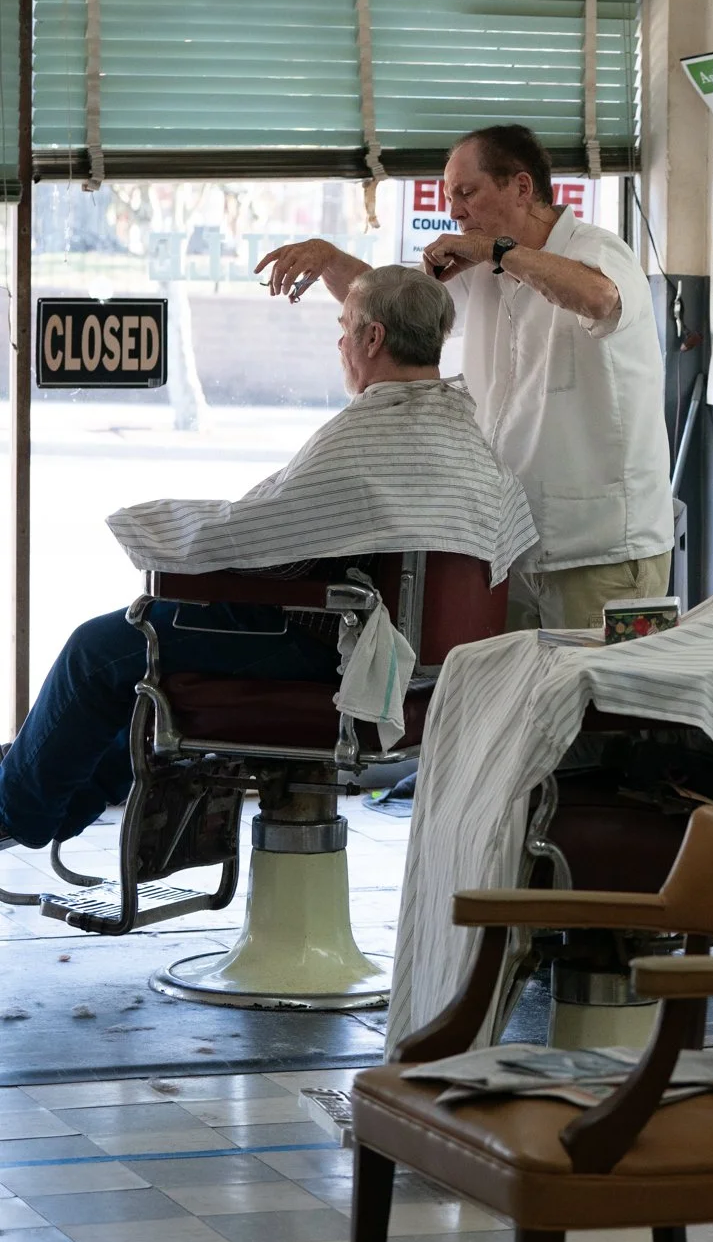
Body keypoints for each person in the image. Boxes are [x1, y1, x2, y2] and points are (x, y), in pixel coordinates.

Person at [0, 268, 537, 850]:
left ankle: (16, 814)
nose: (340, 344)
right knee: (135, 670)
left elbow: (254, 532)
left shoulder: (369, 436)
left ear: (373, 339)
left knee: (101, 650)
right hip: (422, 674)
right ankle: (45, 802)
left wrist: (161, 525)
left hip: (327, 651)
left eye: (344, 328)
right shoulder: (465, 434)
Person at [255, 124, 670, 630]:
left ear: (521, 187)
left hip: (605, 552)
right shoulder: (481, 272)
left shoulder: (601, 252)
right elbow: (394, 308)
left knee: (600, 706)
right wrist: (330, 260)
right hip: (512, 545)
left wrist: (494, 252)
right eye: (450, 196)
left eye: (467, 193)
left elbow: (599, 299)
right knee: (505, 705)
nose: (454, 212)